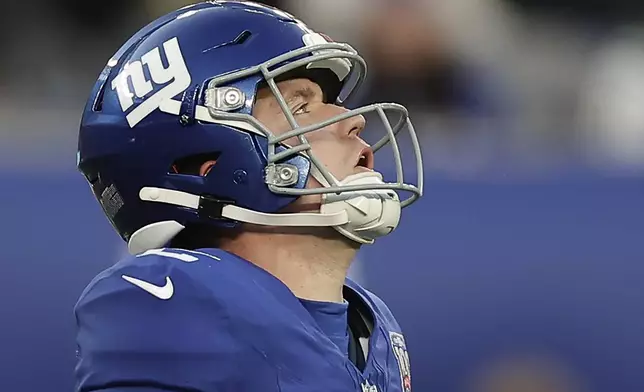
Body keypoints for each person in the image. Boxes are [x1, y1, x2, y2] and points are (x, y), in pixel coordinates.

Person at [74, 1, 423, 391]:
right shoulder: (170, 297)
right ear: (205, 164)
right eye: (301, 106)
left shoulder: (369, 326)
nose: (353, 119)